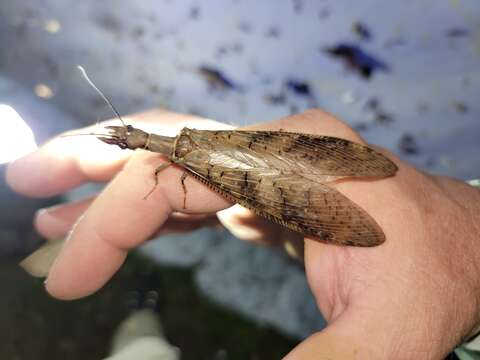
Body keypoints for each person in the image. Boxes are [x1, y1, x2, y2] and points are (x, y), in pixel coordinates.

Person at [6, 108, 480, 359]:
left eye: (131, 138)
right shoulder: (188, 148)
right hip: (233, 159)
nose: (132, 142)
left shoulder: (180, 156)